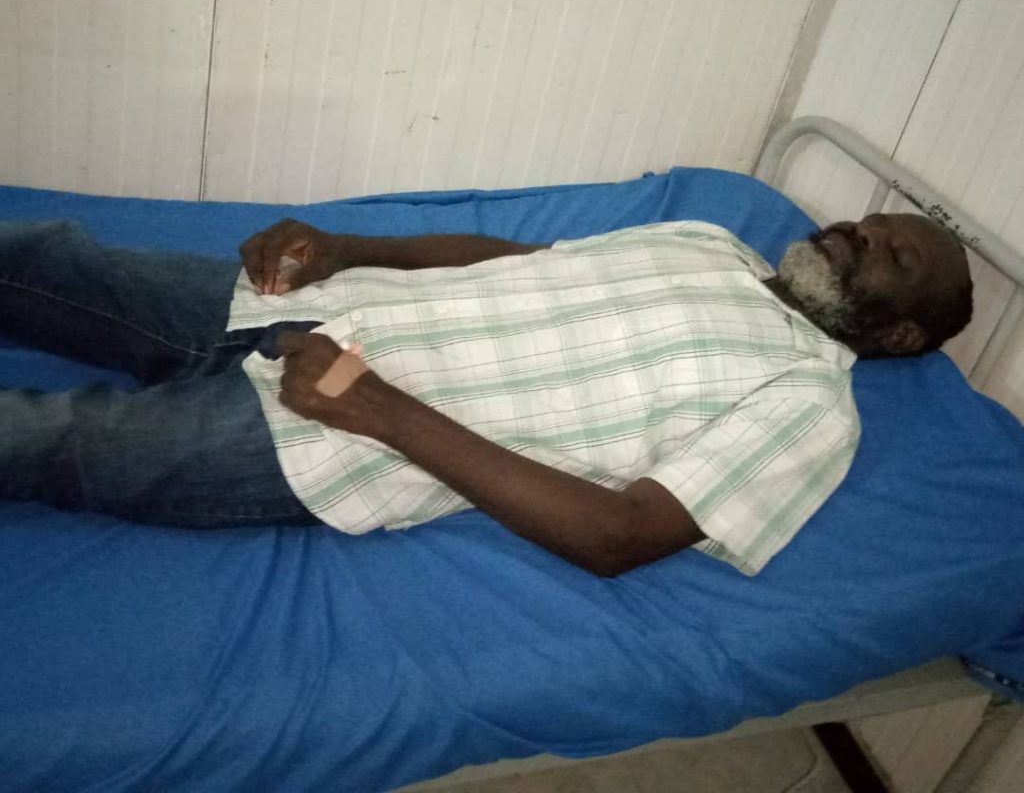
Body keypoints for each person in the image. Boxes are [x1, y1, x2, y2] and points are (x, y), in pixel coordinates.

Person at [0, 212, 972, 577]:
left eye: (892, 255)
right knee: (52, 262)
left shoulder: (812, 405)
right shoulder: (710, 241)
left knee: (48, 435)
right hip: (325, 305)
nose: (859, 231)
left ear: (899, 336)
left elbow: (620, 535)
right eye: (872, 220)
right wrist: (348, 248)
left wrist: (375, 408)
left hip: (337, 437)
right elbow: (524, 259)